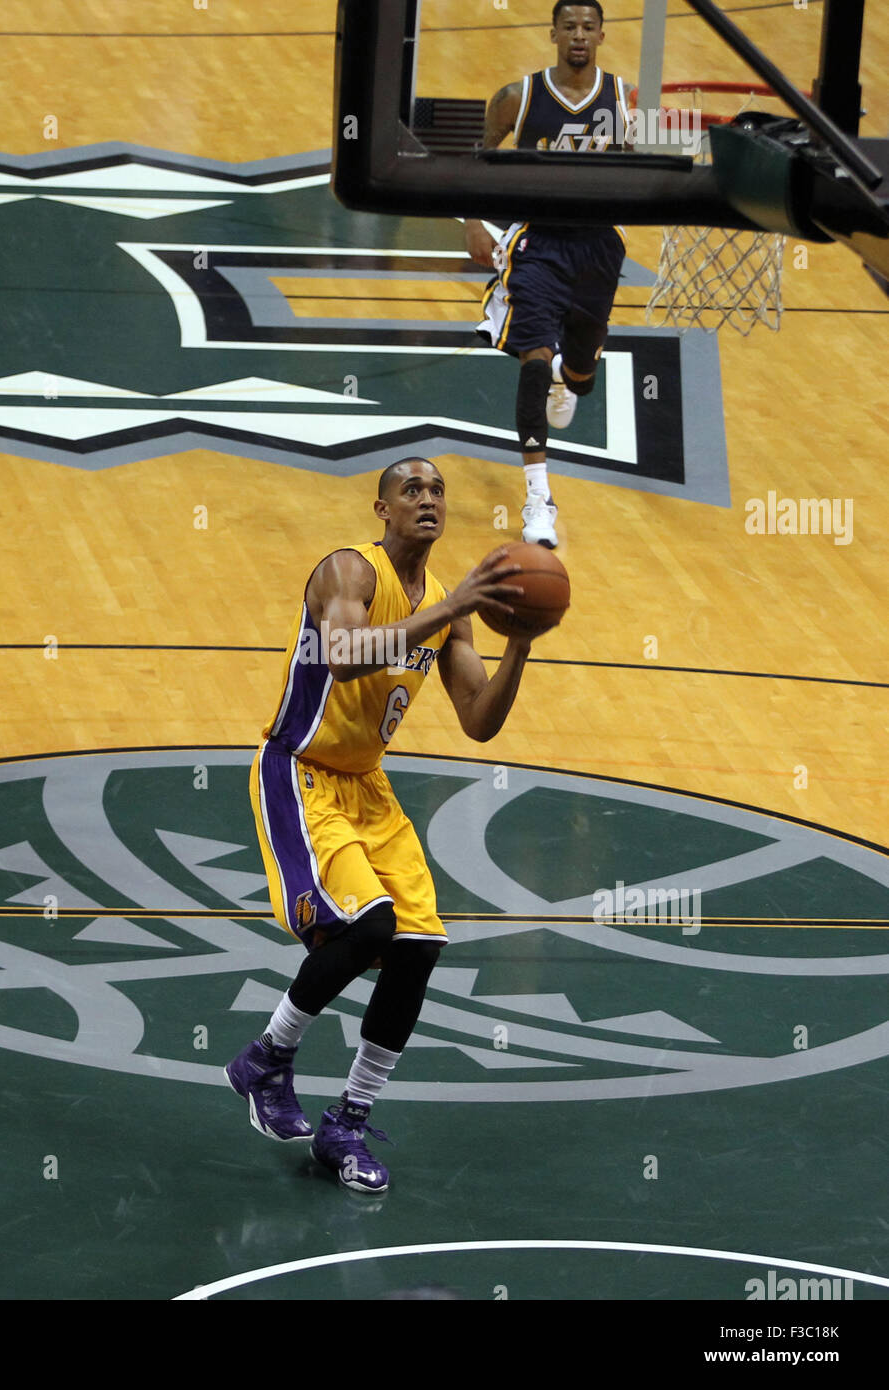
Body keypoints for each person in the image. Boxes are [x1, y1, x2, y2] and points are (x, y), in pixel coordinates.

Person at [226, 457, 535, 1193]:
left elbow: (479, 722)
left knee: (420, 944)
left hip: (366, 786)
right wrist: (452, 605)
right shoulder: (347, 571)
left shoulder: (450, 610)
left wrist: (520, 642)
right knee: (367, 927)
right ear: (382, 509)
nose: (427, 499)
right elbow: (342, 656)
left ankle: (349, 1122)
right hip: (300, 772)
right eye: (412, 490)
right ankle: (267, 1058)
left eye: (437, 491)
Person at [465, 1, 632, 549]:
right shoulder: (519, 97)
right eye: (569, 27)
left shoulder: (625, 99)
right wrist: (474, 220)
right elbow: (480, 157)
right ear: (553, 33)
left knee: (582, 368)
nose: (578, 36)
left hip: (597, 246)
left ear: (602, 35)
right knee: (533, 358)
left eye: (588, 27)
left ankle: (573, 372)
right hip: (537, 243)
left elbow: (641, 168)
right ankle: (539, 500)